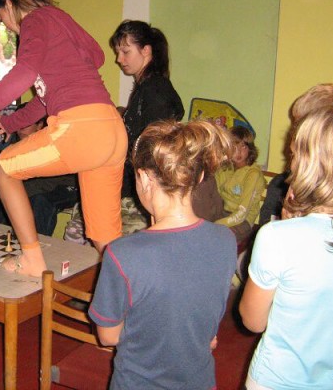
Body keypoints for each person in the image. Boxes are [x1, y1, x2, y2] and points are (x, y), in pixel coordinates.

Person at [0, 0, 127, 277]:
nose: (5, 25)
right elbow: (94, 57)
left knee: (4, 168)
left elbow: (24, 74)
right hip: (111, 130)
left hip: (81, 129)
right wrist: (10, 123)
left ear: (8, 3)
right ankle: (129, 293)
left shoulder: (36, 20)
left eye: (1, 17)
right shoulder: (58, 19)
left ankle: (32, 260)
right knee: (104, 238)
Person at [89, 120, 237, 389]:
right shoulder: (225, 240)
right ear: (199, 177)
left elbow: (108, 336)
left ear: (144, 178)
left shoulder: (122, 254)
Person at [239, 104, 333, 389]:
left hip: (276, 379)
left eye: (294, 154)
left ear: (306, 164)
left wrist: (287, 226)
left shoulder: (276, 238)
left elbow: (253, 320)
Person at [109, 20, 184, 202]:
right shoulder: (146, 87)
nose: (119, 59)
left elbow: (153, 148)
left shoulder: (155, 89)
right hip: (134, 181)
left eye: (126, 52)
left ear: (146, 50)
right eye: (118, 52)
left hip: (144, 186)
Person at [258, 83, 333, 226]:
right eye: (296, 125)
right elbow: (268, 226)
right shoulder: (281, 186)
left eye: (301, 126)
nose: (294, 133)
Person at [215, 126, 266, 243]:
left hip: (243, 220)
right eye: (234, 147)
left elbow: (242, 213)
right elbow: (214, 194)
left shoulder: (253, 174)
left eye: (243, 146)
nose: (238, 152)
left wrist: (216, 224)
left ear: (250, 149)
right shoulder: (225, 168)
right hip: (223, 214)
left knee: (221, 239)